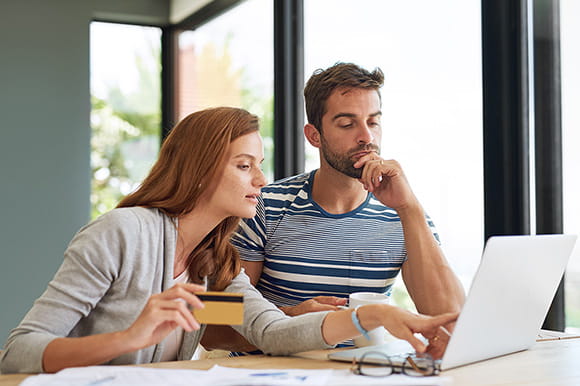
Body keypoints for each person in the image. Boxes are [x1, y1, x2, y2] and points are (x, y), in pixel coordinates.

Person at [0, 107, 458, 374]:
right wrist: (129, 337)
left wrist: (374, 314)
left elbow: (271, 332)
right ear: (199, 170)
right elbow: (17, 352)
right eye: (244, 166)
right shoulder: (120, 233)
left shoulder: (214, 262)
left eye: (259, 164)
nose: (260, 179)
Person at [220, 63, 465, 352]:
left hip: (363, 375)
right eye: (347, 124)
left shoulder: (405, 213)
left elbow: (451, 322)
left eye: (373, 122)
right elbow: (214, 325)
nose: (367, 137)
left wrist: (409, 208)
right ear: (314, 136)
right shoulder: (263, 206)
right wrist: (290, 318)